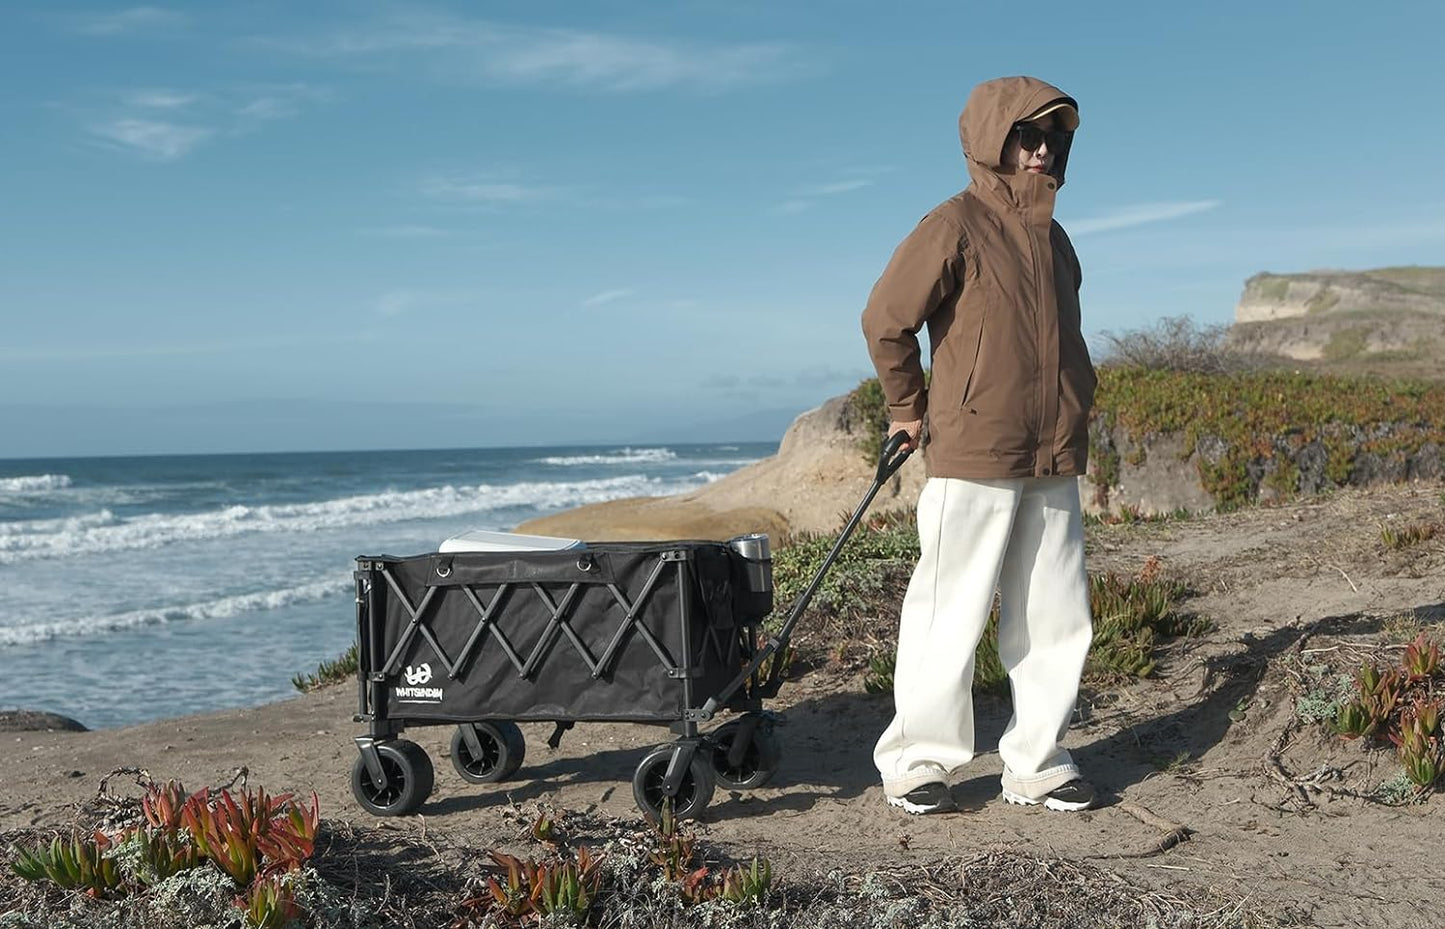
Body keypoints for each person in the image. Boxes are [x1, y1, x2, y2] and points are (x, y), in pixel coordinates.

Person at [860, 75, 1098, 815]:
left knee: (1057, 615)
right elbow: (884, 320)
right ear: (995, 140)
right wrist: (907, 408)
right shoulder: (953, 224)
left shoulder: (1056, 239)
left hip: (1053, 453)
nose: (1041, 151)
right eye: (1028, 136)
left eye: (1053, 139)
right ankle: (917, 760)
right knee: (947, 609)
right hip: (973, 452)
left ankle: (1035, 761)